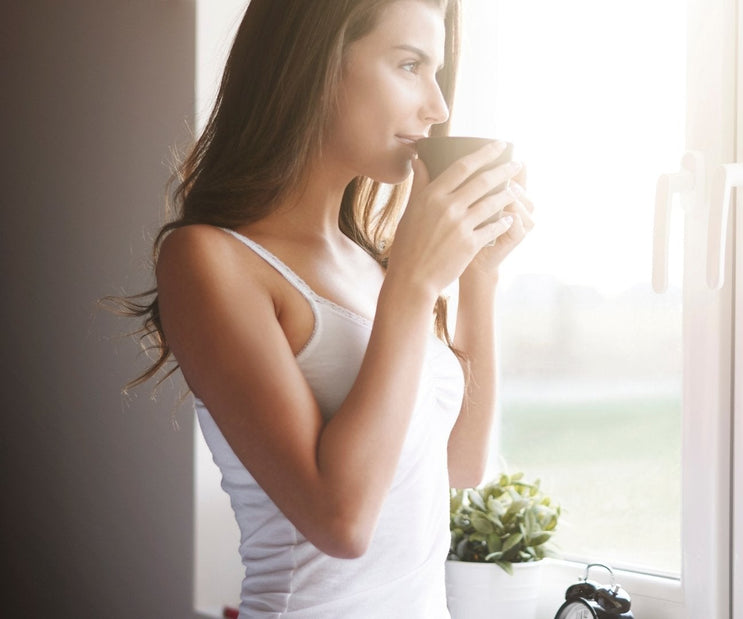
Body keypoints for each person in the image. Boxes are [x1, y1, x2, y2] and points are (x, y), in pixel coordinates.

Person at [116, 0, 534, 616]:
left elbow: (459, 466)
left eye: (437, 72)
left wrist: (479, 278)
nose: (438, 107)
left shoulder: (371, 265)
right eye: (409, 64)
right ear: (313, 64)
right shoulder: (208, 259)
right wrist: (413, 287)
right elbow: (341, 523)